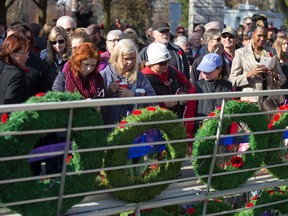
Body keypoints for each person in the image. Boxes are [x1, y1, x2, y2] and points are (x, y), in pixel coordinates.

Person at [229, 14, 286, 105]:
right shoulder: (241, 53)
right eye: (259, 35)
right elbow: (232, 80)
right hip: (251, 101)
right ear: (252, 34)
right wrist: (250, 74)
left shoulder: (271, 51)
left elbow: (282, 79)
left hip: (272, 101)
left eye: (265, 36)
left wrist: (274, 75)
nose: (262, 39)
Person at [100, 39, 156, 125]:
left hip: (134, 129)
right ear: (116, 57)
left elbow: (153, 102)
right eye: (126, 58)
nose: (130, 62)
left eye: (133, 58)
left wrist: (133, 95)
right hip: (108, 129)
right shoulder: (104, 75)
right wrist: (109, 92)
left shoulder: (139, 76)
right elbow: (95, 104)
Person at [184, 53, 233, 147]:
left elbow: (233, 115)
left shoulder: (229, 87)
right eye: (203, 70)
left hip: (223, 134)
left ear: (219, 69)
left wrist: (231, 141)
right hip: (201, 133)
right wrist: (189, 140)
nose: (205, 73)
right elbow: (189, 114)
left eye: (209, 71)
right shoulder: (197, 87)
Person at [141, 42, 192, 117]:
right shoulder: (144, 78)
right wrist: (163, 104)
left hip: (175, 116)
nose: (166, 65)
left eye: (168, 61)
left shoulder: (172, 71)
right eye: (162, 63)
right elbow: (143, 103)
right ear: (152, 63)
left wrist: (184, 93)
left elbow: (188, 85)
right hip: (155, 119)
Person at [0, 34, 30, 105]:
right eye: (24, 53)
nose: (27, 57)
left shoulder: (5, 69)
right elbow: (11, 105)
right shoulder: (17, 75)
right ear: (12, 54)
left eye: (27, 53)